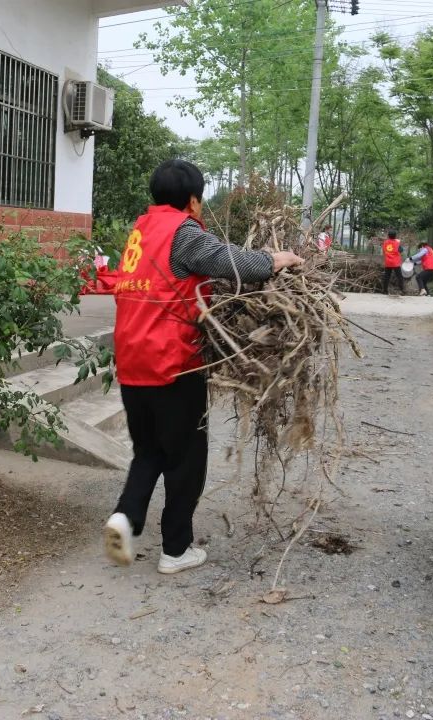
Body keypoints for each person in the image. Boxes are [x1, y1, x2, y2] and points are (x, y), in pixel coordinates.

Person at [103, 159, 303, 575]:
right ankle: (176, 550)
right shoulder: (183, 231)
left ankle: (126, 517)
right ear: (193, 199)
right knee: (186, 458)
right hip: (173, 365)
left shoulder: (140, 230)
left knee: (149, 452)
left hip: (131, 363)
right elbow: (232, 263)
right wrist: (275, 259)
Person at [380, 230, 404, 295]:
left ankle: (385, 291)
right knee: (399, 276)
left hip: (388, 262)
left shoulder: (385, 242)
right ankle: (402, 290)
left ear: (388, 236)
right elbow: (401, 250)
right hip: (395, 262)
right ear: (395, 236)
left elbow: (384, 251)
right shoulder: (397, 243)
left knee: (387, 277)